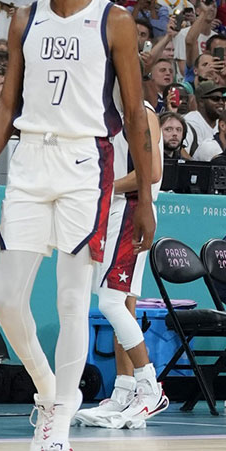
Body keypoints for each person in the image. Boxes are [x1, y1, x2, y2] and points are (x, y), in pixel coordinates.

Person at [0, 0, 156, 451]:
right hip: (29, 162)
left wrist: (141, 198)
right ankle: (50, 394)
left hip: (84, 165)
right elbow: (7, 106)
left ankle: (60, 440)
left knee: (73, 302)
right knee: (5, 299)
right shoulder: (25, 18)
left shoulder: (113, 21)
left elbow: (135, 114)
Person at [73, 102, 165, 429]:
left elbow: (150, 172)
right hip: (120, 211)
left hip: (130, 211)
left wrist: (102, 187)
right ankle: (125, 390)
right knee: (123, 303)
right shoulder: (109, 111)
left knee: (110, 302)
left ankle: (149, 386)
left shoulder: (140, 113)